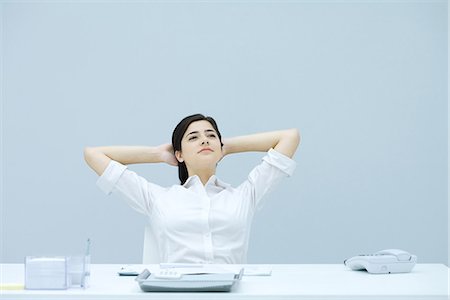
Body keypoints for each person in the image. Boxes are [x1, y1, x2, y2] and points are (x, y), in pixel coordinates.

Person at [84, 113, 300, 264]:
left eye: (211, 135)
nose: (204, 140)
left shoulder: (245, 196)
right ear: (179, 154)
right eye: (194, 137)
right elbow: (93, 154)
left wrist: (227, 146)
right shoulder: (158, 198)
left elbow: (289, 137)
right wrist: (158, 154)